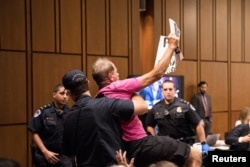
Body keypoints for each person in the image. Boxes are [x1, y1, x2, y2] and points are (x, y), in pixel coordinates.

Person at [92, 34, 202, 167]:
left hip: (126, 148)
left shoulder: (99, 97)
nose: (119, 75)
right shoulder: (117, 86)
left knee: (168, 164)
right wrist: (171, 47)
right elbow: (156, 74)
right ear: (110, 77)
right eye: (117, 72)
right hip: (140, 142)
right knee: (195, 154)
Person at [61, 69, 148, 167]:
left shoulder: (67, 118)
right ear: (88, 83)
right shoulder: (106, 104)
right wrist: (132, 93)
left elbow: (68, 154)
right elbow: (143, 107)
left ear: (68, 92)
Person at [146, 80, 210, 153]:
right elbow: (150, 125)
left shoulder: (185, 105)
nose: (168, 92)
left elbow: (198, 123)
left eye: (170, 89)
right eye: (165, 89)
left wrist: (203, 143)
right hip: (164, 145)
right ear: (162, 91)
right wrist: (154, 140)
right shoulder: (156, 107)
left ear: (175, 90)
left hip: (183, 144)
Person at [28, 84, 72, 167]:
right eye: (62, 93)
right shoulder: (44, 111)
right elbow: (34, 133)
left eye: (67, 94)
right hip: (44, 156)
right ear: (54, 94)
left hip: (63, 157)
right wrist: (45, 152)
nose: (65, 96)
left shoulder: (71, 113)